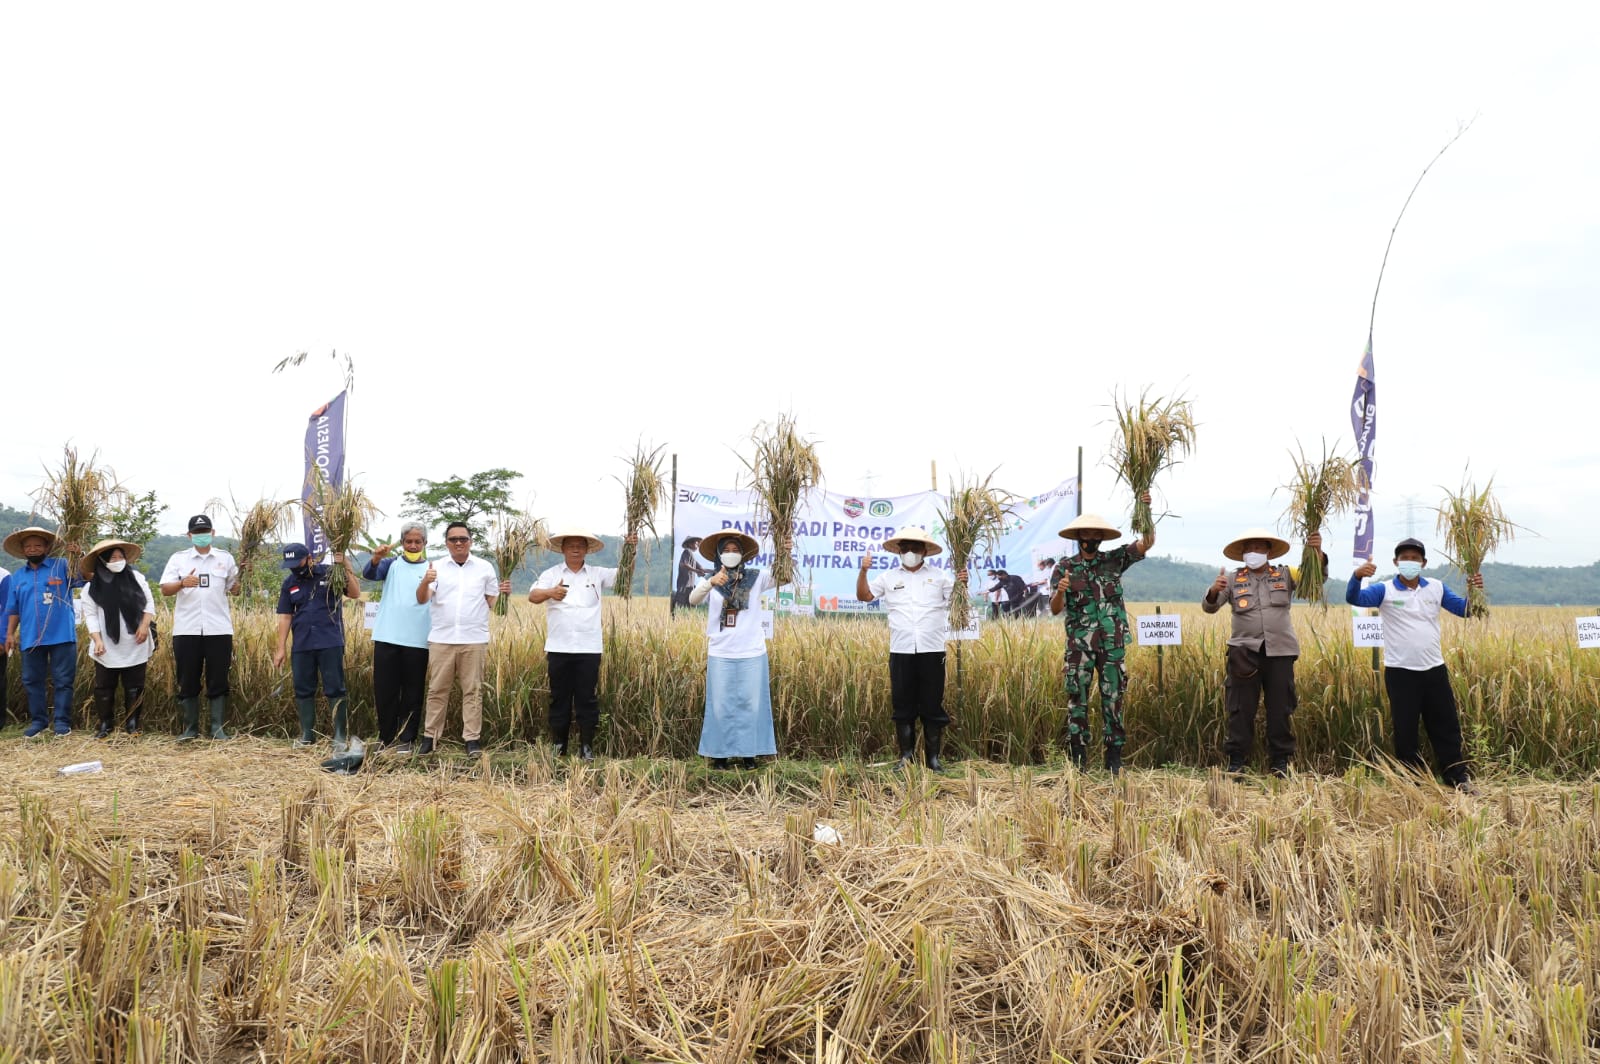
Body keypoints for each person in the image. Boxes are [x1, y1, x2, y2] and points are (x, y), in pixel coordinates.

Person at [1346, 538, 1483, 791]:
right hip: (1401, 672)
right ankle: (1412, 781)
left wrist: (1474, 592)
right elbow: (1355, 598)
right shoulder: (1385, 590)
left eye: (1415, 558)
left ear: (1424, 563)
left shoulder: (1436, 588)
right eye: (1405, 558)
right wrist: (1357, 576)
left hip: (1434, 670)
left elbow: (1465, 610)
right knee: (1406, 729)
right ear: (1396, 562)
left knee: (1446, 726)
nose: (1410, 562)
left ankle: (1457, 777)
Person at [1202, 526, 1325, 777]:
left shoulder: (1286, 574)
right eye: (1249, 548)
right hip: (1243, 652)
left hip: (1280, 651)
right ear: (1242, 553)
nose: (1253, 552)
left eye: (1258, 547)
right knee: (1240, 708)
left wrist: (1317, 554)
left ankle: (1280, 761)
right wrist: (1214, 590)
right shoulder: (1233, 579)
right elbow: (1209, 607)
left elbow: (1314, 583)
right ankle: (1237, 761)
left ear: (1268, 551)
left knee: (1280, 707)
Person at [1049, 497, 1154, 775]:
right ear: (1078, 536)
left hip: (1112, 643)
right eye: (1086, 533)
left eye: (1096, 534)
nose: (1091, 538)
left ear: (1101, 537)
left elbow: (1146, 542)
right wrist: (1061, 590)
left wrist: (1145, 509)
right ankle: (1079, 758)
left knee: (1114, 699)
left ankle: (1113, 758)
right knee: (1077, 699)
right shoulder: (1064, 567)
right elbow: (1055, 608)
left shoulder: (1113, 560)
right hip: (1079, 647)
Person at [855, 526, 965, 771]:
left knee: (932, 703)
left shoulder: (940, 577)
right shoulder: (888, 577)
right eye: (905, 548)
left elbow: (958, 602)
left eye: (915, 548)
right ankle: (906, 757)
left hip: (932, 649)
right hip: (901, 649)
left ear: (925, 551)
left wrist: (963, 585)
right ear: (899, 551)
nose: (910, 552)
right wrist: (863, 571)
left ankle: (933, 759)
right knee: (903, 704)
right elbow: (864, 596)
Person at [528, 527, 636, 760]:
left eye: (580, 545)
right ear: (563, 549)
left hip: (589, 647)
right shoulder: (551, 574)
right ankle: (559, 745)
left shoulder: (597, 574)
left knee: (587, 697)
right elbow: (533, 596)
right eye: (571, 545)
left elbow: (625, 575)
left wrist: (631, 548)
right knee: (559, 697)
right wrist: (551, 592)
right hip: (559, 647)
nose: (575, 549)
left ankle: (586, 746)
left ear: (587, 549)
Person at [416, 520, 510, 757]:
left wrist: (504, 594)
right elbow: (422, 598)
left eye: (463, 539)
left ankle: (472, 739)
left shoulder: (484, 568)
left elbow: (494, 605)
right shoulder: (436, 567)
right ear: (446, 543)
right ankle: (430, 737)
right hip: (442, 638)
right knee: (437, 690)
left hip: (473, 639)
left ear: (470, 541)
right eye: (453, 539)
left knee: (473, 691)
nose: (458, 543)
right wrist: (425, 581)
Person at [688, 530, 779, 769]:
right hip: (721, 652)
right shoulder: (712, 579)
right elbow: (693, 600)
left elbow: (785, 576)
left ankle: (749, 755)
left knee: (751, 704)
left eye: (735, 550)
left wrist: (785, 549)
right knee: (720, 705)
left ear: (742, 554)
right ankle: (720, 756)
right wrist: (711, 582)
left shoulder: (756, 578)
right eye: (726, 550)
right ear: (718, 555)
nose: (731, 554)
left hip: (752, 651)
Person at [160, 514, 241, 741]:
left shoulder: (225, 558)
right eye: (197, 532)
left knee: (218, 678)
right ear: (189, 535)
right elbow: (165, 589)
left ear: (212, 533)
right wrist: (182, 583)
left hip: (218, 628)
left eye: (205, 531)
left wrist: (240, 582)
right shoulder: (179, 559)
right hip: (187, 629)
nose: (201, 536)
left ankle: (217, 728)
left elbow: (234, 589)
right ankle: (190, 728)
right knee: (187, 678)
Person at [273, 543, 362, 748]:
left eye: (298, 563)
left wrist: (346, 566)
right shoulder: (289, 583)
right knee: (303, 688)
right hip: (302, 643)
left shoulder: (331, 573)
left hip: (330, 640)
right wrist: (280, 648)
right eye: (291, 565)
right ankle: (307, 734)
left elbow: (355, 593)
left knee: (335, 687)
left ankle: (339, 735)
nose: (295, 568)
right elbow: (285, 616)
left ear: (309, 558)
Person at [3, 526, 83, 737]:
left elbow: (84, 577)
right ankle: (39, 722)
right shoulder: (18, 577)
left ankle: (62, 723)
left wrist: (78, 556)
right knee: (31, 681)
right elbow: (13, 609)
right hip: (31, 636)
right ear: (23, 550)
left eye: (38, 545)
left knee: (63, 681)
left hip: (62, 634)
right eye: (28, 546)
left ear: (47, 547)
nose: (33, 549)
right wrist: (10, 634)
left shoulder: (62, 565)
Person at [362, 522, 433, 753]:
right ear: (402, 543)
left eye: (417, 542)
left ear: (425, 543)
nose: (413, 545)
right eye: (408, 541)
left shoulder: (432, 569)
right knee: (385, 691)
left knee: (413, 692)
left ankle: (406, 739)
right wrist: (375, 558)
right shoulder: (390, 564)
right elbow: (369, 574)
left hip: (418, 639)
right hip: (387, 636)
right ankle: (385, 737)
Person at [79, 539, 156, 739]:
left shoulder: (136, 578)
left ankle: (132, 723)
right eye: (112, 558)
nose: (118, 561)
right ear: (103, 561)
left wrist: (144, 626)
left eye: (121, 556)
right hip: (106, 643)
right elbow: (91, 616)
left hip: (136, 640)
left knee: (135, 685)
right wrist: (97, 640)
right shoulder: (91, 588)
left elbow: (149, 603)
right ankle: (105, 723)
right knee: (104, 686)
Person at [674, 536, 710, 608]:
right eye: (696, 544)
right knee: (681, 605)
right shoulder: (687, 551)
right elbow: (685, 564)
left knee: (689, 606)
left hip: (690, 586)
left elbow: (702, 569)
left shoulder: (692, 557)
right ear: (690, 544)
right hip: (684, 585)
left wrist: (715, 571)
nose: (697, 545)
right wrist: (696, 571)